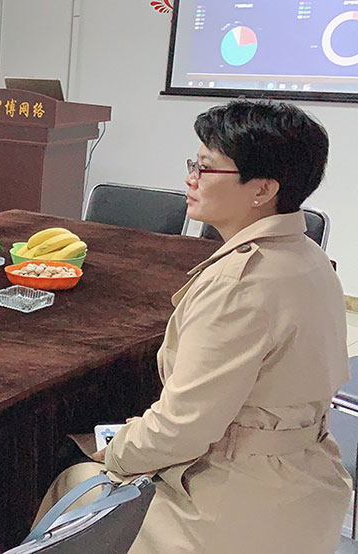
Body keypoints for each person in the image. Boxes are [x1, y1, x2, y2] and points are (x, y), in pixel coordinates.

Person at [35, 100, 351, 553]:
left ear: (262, 189)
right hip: (309, 488)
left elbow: (180, 429)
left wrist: (116, 451)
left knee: (72, 480)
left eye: (205, 168)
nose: (190, 178)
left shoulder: (238, 284)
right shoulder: (310, 258)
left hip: (234, 509)